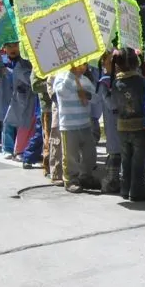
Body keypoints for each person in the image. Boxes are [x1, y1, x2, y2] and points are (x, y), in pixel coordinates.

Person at [113, 48, 145, 202]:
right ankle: (137, 190)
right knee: (139, 161)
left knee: (126, 159)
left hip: (122, 127)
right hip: (140, 126)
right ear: (137, 63)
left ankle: (125, 188)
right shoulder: (142, 81)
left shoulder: (115, 82)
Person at [53, 64, 99, 193]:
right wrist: (71, 75)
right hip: (69, 125)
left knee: (89, 153)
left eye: (84, 64)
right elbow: (62, 93)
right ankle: (70, 180)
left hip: (85, 123)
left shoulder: (85, 80)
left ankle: (86, 176)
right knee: (70, 156)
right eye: (79, 64)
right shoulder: (61, 77)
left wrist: (87, 95)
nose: (82, 67)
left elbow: (96, 98)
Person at [96, 51, 121, 194]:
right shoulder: (104, 82)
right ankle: (112, 181)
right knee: (114, 152)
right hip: (112, 123)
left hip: (124, 123)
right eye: (111, 60)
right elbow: (111, 104)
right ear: (104, 62)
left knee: (122, 152)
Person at [31, 72, 53, 177]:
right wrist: (51, 83)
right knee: (49, 139)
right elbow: (35, 86)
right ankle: (47, 166)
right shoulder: (38, 65)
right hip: (48, 108)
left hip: (65, 106)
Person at [46, 76, 64, 185]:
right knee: (57, 143)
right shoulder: (53, 74)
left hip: (74, 116)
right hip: (59, 111)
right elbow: (53, 95)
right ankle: (56, 173)